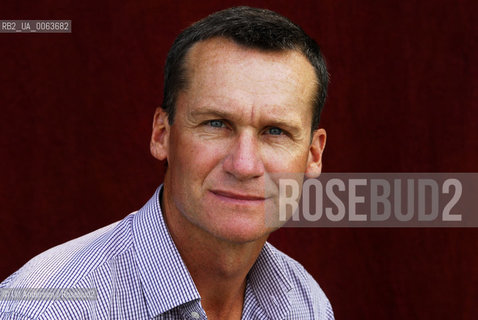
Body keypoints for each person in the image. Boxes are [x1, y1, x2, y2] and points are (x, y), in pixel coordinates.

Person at [0, 6, 333, 319]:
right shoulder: (44, 306)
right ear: (161, 135)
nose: (244, 165)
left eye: (275, 131)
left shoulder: (305, 303)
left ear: (313, 156)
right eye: (215, 123)